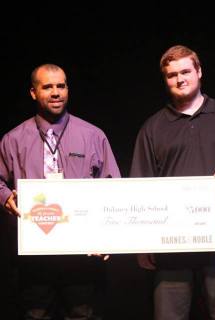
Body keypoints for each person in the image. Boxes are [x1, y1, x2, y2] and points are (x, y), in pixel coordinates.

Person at [130, 45, 215, 320]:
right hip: (170, 240)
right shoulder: (153, 127)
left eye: (186, 71)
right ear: (165, 80)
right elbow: (140, 189)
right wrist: (143, 243)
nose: (180, 79)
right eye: (171, 75)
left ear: (199, 72)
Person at [0, 63, 121, 320]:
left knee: (83, 314)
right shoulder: (13, 139)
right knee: (35, 314)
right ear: (33, 93)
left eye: (61, 86)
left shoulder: (92, 135)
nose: (56, 92)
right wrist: (5, 197)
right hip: (34, 255)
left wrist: (108, 235)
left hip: (81, 253)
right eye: (47, 87)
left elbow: (112, 187)